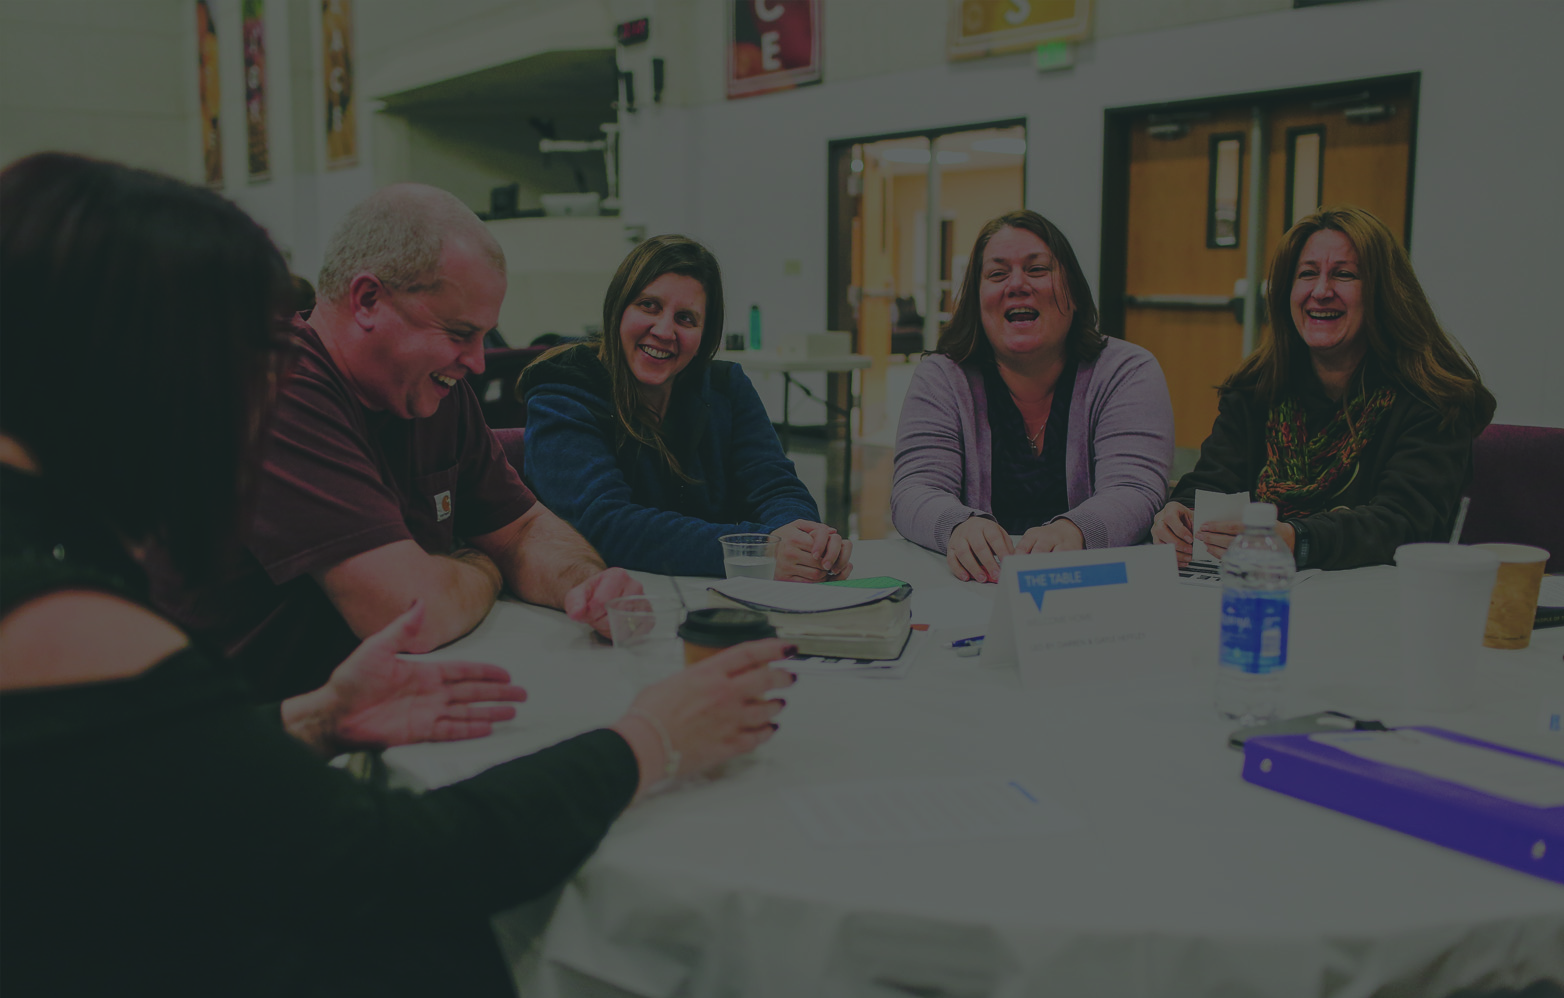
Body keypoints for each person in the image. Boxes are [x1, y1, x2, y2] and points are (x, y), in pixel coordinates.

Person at [0, 152, 791, 998]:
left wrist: (315, 717)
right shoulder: (53, 613)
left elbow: (132, 768)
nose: (254, 403)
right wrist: (651, 739)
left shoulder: (47, 549)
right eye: (237, 362)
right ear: (128, 371)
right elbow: (392, 860)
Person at [148, 182, 639, 697]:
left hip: (376, 711)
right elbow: (406, 612)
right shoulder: (274, 389)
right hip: (251, 736)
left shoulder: (432, 392)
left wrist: (585, 584)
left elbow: (520, 532)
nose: (476, 362)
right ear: (367, 300)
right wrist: (483, 566)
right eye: (458, 333)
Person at [1151, 206, 1495, 570]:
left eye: (1344, 275)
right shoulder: (1255, 390)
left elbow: (1404, 524)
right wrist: (1180, 517)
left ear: (1383, 293)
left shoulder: (1432, 399)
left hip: (1375, 604)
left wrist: (1297, 540)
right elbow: (1211, 486)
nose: (1321, 290)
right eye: (1307, 274)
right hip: (1255, 592)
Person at [518, 234, 852, 579]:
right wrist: (759, 549)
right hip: (612, 604)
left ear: (705, 336)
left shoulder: (726, 386)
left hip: (722, 603)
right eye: (648, 305)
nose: (664, 330)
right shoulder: (562, 391)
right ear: (617, 309)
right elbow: (604, 524)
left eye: (686, 318)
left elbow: (775, 486)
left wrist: (806, 540)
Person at [891, 210, 1174, 582]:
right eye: (996, 273)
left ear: (1072, 290)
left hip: (1093, 588)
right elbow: (914, 488)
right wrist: (958, 525)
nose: (1017, 284)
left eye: (1037, 270)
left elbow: (1136, 489)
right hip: (976, 586)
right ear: (977, 300)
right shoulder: (942, 377)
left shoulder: (1127, 370)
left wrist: (1076, 531)